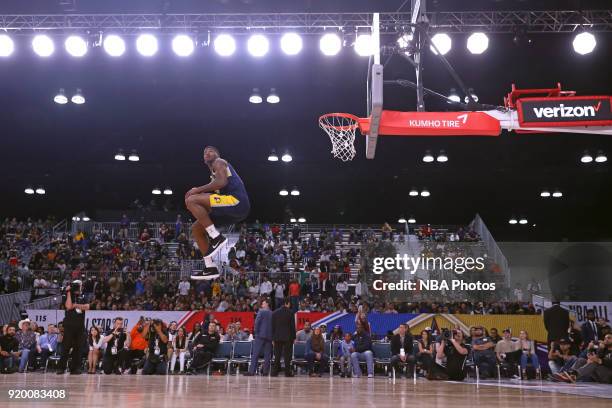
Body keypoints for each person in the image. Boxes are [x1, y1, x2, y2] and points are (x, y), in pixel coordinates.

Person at [185, 146, 251, 280]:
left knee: (192, 199)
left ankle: (216, 237)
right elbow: (215, 193)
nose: (207, 153)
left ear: (217, 154)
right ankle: (210, 267)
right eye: (204, 152)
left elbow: (221, 182)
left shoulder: (219, 162)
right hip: (230, 210)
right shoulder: (213, 176)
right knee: (196, 229)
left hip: (237, 202)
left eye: (210, 151)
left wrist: (197, 190)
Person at [57, 281, 90, 374]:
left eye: (80, 285)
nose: (79, 287)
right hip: (69, 325)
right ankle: (61, 368)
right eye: (78, 285)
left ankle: (75, 368)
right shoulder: (67, 295)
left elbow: (87, 307)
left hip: (80, 325)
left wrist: (75, 305)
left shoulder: (83, 296)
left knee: (78, 348)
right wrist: (68, 292)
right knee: (66, 347)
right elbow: (68, 306)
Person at [245, 299, 273, 376]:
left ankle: (252, 371)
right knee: (267, 355)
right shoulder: (272, 313)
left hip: (260, 335)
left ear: (267, 304)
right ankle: (265, 372)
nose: (262, 305)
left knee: (255, 353)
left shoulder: (261, 312)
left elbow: (257, 323)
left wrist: (256, 332)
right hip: (269, 336)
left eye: (263, 303)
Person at [271, 298, 296, 377]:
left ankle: (274, 372)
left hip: (277, 337)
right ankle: (287, 373)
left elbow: (272, 326)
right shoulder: (290, 313)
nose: (290, 306)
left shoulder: (275, 313)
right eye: (289, 304)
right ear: (287, 303)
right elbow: (292, 327)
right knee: (287, 356)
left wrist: (273, 338)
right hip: (288, 337)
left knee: (277, 355)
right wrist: (294, 337)